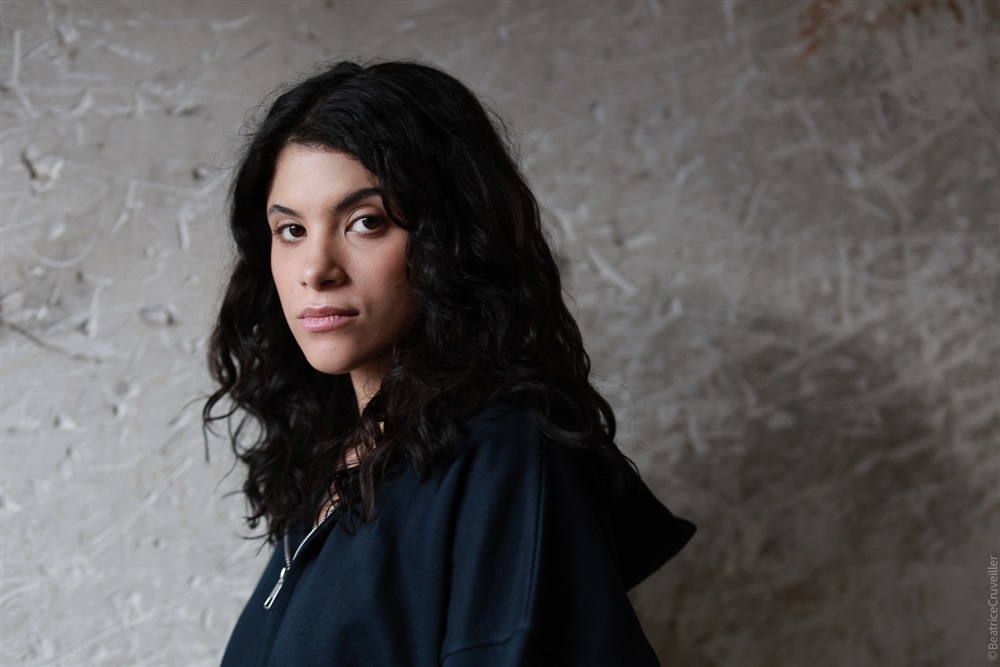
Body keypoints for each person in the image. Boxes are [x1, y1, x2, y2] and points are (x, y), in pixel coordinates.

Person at [203, 59, 695, 666]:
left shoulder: (501, 455)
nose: (316, 270)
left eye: (365, 222)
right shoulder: (332, 471)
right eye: (291, 230)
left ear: (450, 238)